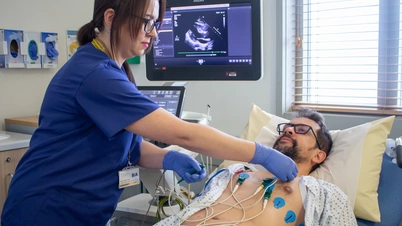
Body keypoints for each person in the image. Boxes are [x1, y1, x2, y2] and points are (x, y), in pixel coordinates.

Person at [0, 0, 298, 225]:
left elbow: (129, 146)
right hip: (46, 209)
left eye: (156, 23)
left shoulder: (114, 69)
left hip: (75, 208)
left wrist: (168, 157)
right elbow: (183, 132)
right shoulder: (95, 74)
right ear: (110, 17)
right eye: (147, 22)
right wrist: (261, 153)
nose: (154, 33)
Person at [154, 108, 358, 226]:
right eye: (286, 128)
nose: (288, 131)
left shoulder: (324, 193)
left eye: (301, 130)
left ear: (319, 155)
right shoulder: (233, 172)